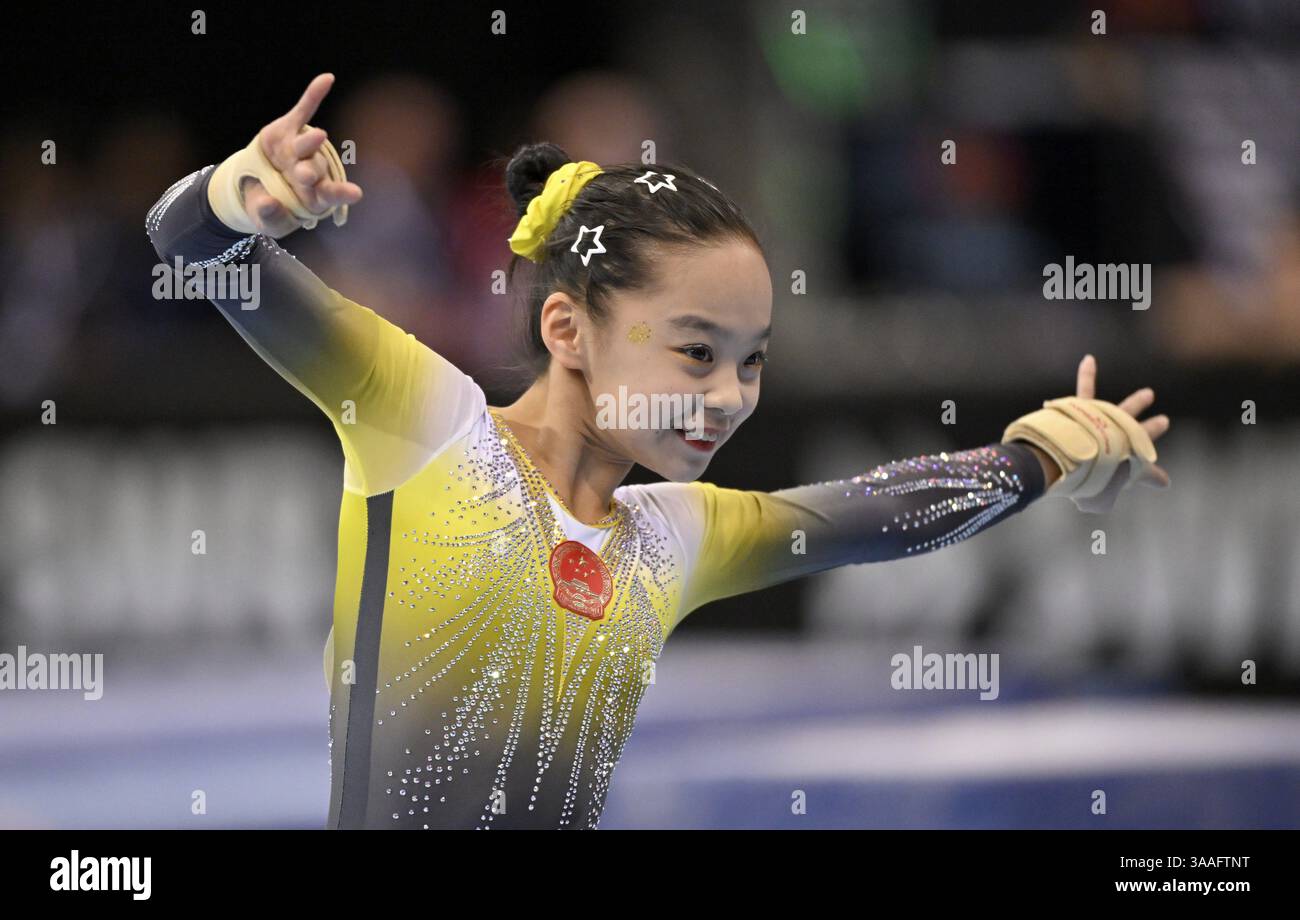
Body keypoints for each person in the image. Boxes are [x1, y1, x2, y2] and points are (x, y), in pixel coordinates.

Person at [145, 74, 1170, 829]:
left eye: (750, 360)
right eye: (694, 351)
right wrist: (245, 197)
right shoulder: (427, 421)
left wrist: (1037, 453)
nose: (726, 396)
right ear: (566, 330)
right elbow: (186, 242)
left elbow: (871, 513)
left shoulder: (674, 533)